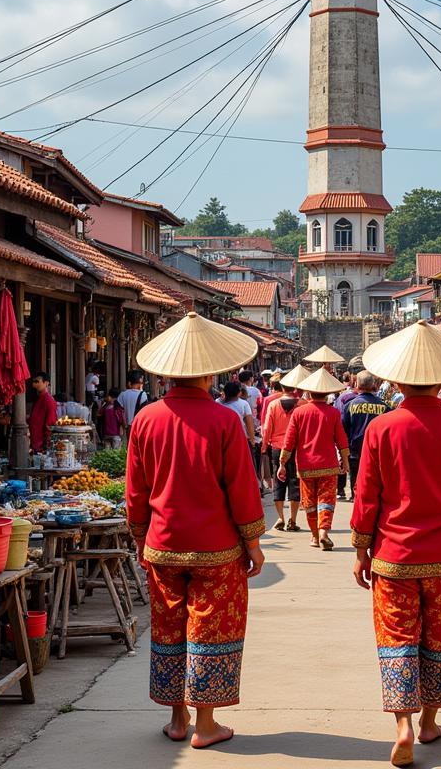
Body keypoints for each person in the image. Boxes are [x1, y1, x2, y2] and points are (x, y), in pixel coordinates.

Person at [126, 311, 265, 750]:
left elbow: (136, 489)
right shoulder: (224, 421)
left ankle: (177, 718)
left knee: (168, 627)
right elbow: (242, 490)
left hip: (163, 545)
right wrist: (254, 543)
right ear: (209, 372)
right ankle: (206, 723)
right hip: (217, 548)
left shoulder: (146, 418)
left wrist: (139, 536)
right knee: (211, 629)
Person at [351, 320, 441, 767]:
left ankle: (402, 725)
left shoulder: (382, 429)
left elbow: (366, 497)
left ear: (398, 380)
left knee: (398, 639)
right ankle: (428, 721)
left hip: (393, 555)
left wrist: (360, 550)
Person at [279, 367, 350, 551]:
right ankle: (324, 531)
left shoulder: (299, 413)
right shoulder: (333, 413)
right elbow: (341, 440)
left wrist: (282, 464)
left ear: (309, 393)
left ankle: (315, 536)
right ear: (326, 394)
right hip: (328, 465)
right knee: (327, 500)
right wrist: (346, 461)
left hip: (305, 465)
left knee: (309, 502)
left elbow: (289, 441)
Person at [262, 377, 303, 531]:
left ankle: (280, 517)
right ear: (294, 388)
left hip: (277, 448)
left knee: (279, 481)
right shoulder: (301, 404)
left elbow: (267, 428)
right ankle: (292, 520)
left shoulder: (273, 405)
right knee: (294, 483)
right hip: (295, 448)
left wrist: (265, 445)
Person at [341, 371, 388, 501]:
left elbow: (343, 429)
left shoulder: (349, 406)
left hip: (355, 450)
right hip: (377, 451)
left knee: (356, 480)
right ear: (373, 385)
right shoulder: (384, 407)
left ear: (356, 384)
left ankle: (356, 499)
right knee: (375, 481)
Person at [28, 371, 58, 453]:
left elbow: (50, 425)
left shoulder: (48, 400)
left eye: (37, 382)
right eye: (34, 382)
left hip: (41, 446)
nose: (34, 385)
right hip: (34, 443)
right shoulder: (38, 398)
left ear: (46, 383)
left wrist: (46, 446)